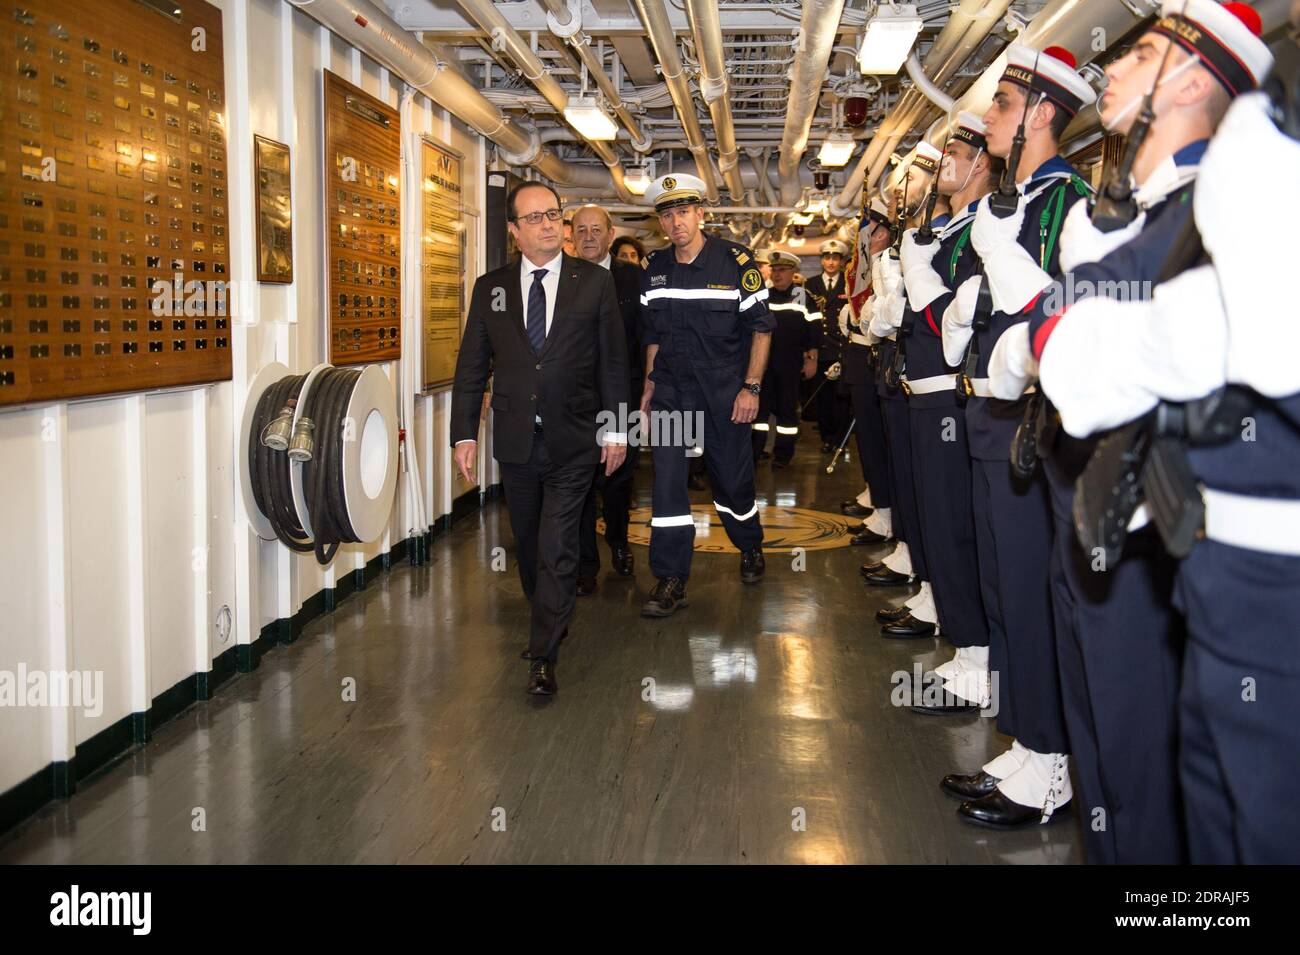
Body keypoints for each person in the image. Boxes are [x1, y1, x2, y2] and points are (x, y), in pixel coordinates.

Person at [1019, 0, 1286, 862]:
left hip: (1258, 580)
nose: (1116, 70)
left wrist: (1077, 322)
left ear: (1193, 75)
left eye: (1141, 54)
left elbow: (1069, 350)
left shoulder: (1225, 202)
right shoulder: (1156, 213)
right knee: (1159, 791)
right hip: (1202, 570)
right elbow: (1059, 331)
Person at [939, 42, 1096, 828]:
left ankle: (1052, 760)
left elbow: (1070, 309)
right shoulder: (1015, 199)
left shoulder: (1068, 200)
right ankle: (1027, 739)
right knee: (1003, 581)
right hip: (989, 408)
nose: (993, 117)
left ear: (1040, 114)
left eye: (1003, 104)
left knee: (1033, 588)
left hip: (1033, 418)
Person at [450, 181, 628, 697]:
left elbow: (614, 362)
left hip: (574, 439)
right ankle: (546, 611)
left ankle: (544, 654)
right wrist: (464, 433)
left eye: (554, 214)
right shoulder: (492, 288)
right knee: (528, 544)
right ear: (513, 231)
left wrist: (616, 427)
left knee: (557, 545)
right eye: (535, 218)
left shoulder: (593, 283)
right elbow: (471, 366)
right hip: (516, 442)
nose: (549, 224)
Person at [887, 117, 1001, 667]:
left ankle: (976, 657)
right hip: (928, 391)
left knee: (955, 528)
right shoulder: (954, 231)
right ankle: (955, 629)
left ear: (980, 161)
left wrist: (914, 272)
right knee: (936, 519)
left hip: (951, 394)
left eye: (953, 152)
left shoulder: (982, 229)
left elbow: (947, 323)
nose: (942, 168)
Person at [638, 174, 774, 617]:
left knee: (732, 483)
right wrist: (649, 385)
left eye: (683, 212)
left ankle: (749, 544)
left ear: (700, 214)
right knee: (669, 485)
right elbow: (654, 336)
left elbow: (761, 330)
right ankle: (671, 577)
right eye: (667, 215)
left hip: (723, 391)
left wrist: (751, 387)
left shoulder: (736, 262)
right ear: (661, 222)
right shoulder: (655, 268)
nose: (676, 222)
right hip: (673, 390)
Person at [571, 204, 644, 590]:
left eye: (595, 229)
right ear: (571, 235)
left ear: (610, 235)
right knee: (580, 482)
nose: (588, 236)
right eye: (580, 229)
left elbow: (649, 338)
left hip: (624, 398)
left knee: (618, 481)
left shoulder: (634, 279)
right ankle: (586, 565)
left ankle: (618, 543)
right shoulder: (561, 278)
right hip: (577, 401)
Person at [751, 251, 820, 468]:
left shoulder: (802, 295)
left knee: (787, 412)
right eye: (774, 270)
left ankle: (783, 455)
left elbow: (814, 330)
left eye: (782, 270)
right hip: (764, 364)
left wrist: (812, 358)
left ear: (793, 272)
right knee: (760, 411)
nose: (777, 274)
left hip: (790, 363)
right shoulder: (764, 296)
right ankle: (758, 450)